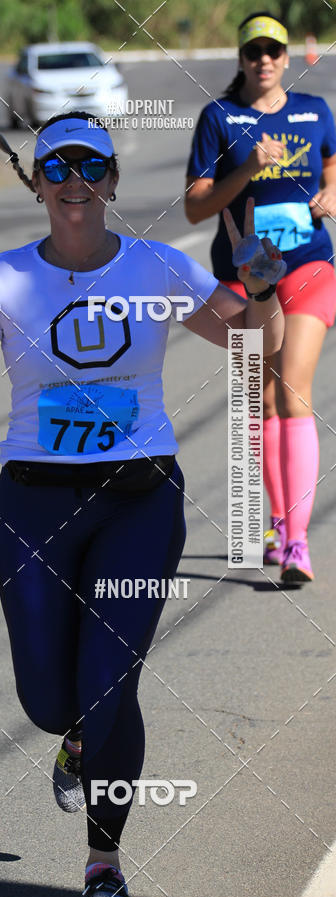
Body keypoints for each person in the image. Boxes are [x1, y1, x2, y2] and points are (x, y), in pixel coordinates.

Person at [0, 112, 283, 897]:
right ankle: (76, 740)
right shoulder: (5, 279)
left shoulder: (157, 267)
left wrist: (262, 286)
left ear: (113, 180)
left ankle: (103, 864)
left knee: (108, 685)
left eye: (91, 166)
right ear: (37, 185)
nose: (75, 181)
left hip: (139, 501)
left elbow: (254, 344)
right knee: (50, 702)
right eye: (57, 168)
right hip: (33, 506)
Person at [185, 11, 336, 583]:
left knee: (294, 391)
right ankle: (277, 521)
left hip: (309, 264)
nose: (264, 60)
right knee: (264, 402)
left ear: (286, 57)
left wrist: (331, 191)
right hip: (244, 277)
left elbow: (333, 163)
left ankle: (296, 543)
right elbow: (195, 207)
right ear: (242, 59)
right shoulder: (219, 118)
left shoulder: (314, 111)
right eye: (254, 52)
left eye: (273, 51)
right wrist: (247, 167)